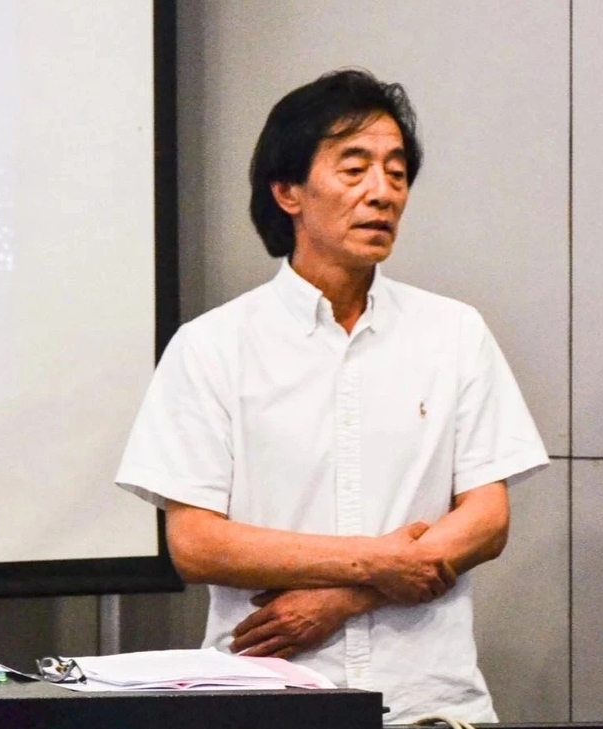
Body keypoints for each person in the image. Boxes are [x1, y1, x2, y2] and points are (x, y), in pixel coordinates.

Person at [116, 68, 548, 724]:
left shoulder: (454, 332)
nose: (382, 192)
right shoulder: (212, 346)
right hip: (264, 700)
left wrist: (343, 596)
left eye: (396, 173)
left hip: (430, 703)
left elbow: (486, 520)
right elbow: (198, 543)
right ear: (287, 190)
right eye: (354, 169)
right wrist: (379, 561)